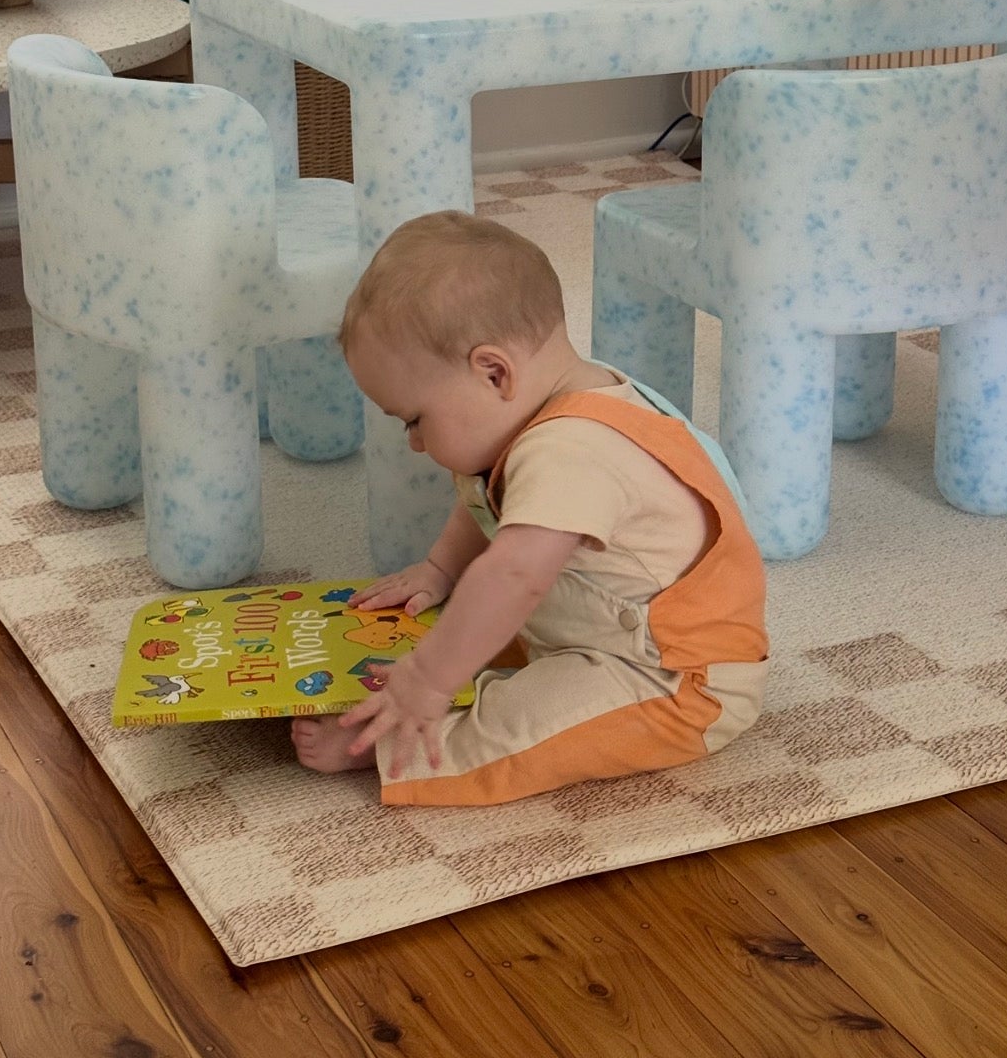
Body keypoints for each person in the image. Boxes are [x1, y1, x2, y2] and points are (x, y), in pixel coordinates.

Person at [291, 210, 768, 806]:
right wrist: (441, 569)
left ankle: (386, 747)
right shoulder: (546, 410)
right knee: (457, 630)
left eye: (415, 419)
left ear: (494, 373)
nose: (413, 442)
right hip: (584, 628)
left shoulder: (572, 448)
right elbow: (487, 500)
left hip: (673, 680)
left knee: (521, 721)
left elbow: (516, 570)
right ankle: (436, 678)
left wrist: (429, 681)